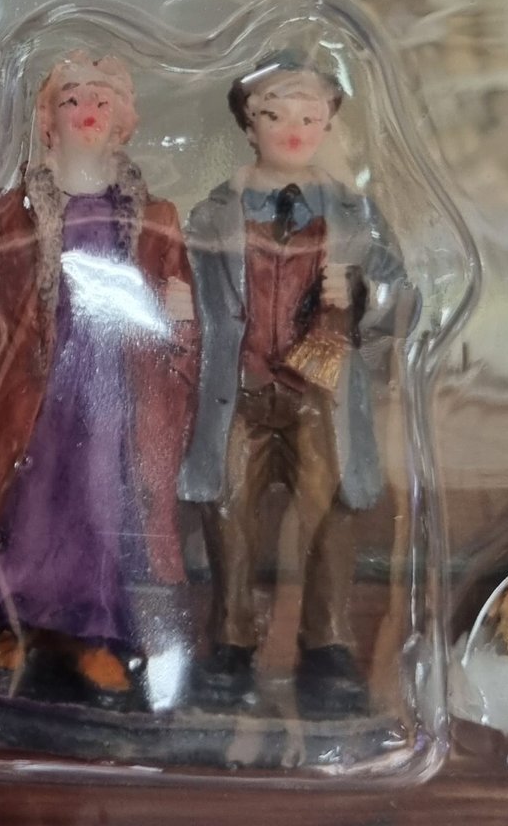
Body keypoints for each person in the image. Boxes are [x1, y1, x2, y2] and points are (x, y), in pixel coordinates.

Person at [0, 54, 197, 709]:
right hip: (28, 382)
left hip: (111, 384)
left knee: (100, 501)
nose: (87, 112)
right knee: (21, 498)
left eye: (102, 101)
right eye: (72, 99)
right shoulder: (11, 213)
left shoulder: (155, 215)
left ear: (123, 121)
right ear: (48, 121)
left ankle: (95, 632)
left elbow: (177, 308)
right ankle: (3, 624)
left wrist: (181, 319)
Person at [178, 55, 417, 717]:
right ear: (247, 125)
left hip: (320, 394)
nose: (293, 129)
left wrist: (363, 292)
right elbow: (188, 300)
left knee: (328, 511)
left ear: (328, 125)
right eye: (274, 114)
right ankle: (231, 641)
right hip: (240, 393)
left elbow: (405, 301)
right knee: (228, 510)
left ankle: (328, 644)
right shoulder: (213, 214)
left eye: (309, 117)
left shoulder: (356, 214)